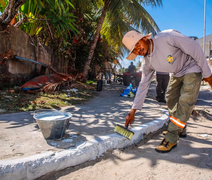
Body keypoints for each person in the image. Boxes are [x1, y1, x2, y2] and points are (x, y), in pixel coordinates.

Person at [122, 29, 212, 153]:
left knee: (185, 102)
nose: (139, 50)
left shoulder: (167, 37)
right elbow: (143, 85)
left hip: (192, 66)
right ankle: (181, 127)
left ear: (144, 39)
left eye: (138, 44)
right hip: (177, 72)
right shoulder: (147, 63)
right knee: (170, 98)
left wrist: (208, 74)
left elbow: (195, 47)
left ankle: (171, 136)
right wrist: (133, 110)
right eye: (135, 50)